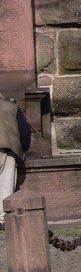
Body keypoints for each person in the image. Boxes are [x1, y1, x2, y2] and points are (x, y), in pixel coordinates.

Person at [0, 95, 31, 230]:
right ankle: (2, 218)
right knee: (6, 185)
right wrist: (23, 147)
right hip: (8, 148)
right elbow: (24, 131)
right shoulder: (12, 107)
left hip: (8, 148)